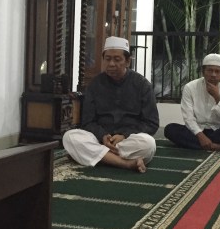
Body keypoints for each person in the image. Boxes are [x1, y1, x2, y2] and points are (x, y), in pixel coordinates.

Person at [62, 36, 158, 173]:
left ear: (127, 61)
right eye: (107, 59)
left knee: (148, 144)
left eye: (117, 59)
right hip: (100, 139)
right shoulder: (95, 85)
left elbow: (151, 123)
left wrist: (124, 135)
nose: (111, 64)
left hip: (127, 141)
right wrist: (103, 136)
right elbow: (87, 122)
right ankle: (126, 164)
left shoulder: (142, 85)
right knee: (70, 137)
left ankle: (98, 156)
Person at [164, 53, 220, 153]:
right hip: (196, 130)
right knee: (170, 129)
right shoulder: (190, 87)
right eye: (210, 70)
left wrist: (218, 98)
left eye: (217, 71)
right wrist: (200, 135)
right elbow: (188, 118)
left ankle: (200, 145)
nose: (213, 74)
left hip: (218, 130)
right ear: (203, 72)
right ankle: (217, 146)